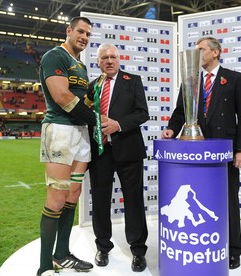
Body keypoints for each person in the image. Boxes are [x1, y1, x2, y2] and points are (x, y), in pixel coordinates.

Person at [161, 36, 241, 270]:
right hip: (197, 151)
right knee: (202, 200)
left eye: (201, 50)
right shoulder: (191, 80)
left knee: (229, 200)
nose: (197, 54)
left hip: (225, 152)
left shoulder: (234, 79)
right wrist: (171, 128)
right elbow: (180, 111)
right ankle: (206, 244)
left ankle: (233, 250)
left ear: (215, 53)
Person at [37, 16, 98, 276]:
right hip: (60, 131)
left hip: (80, 133)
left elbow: (83, 100)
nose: (84, 37)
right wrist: (96, 119)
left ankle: (61, 255)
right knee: (57, 198)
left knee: (73, 194)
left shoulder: (81, 66)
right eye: (80, 31)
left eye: (88, 34)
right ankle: (44, 267)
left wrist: (95, 111)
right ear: (69, 31)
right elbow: (62, 96)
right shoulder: (55, 56)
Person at [87, 43, 149, 272]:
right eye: (105, 57)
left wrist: (118, 125)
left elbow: (143, 113)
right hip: (100, 153)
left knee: (134, 201)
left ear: (119, 59)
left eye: (113, 56)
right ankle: (103, 247)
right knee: (100, 202)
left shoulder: (132, 81)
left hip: (129, 152)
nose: (109, 60)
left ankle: (138, 250)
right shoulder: (92, 87)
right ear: (98, 62)